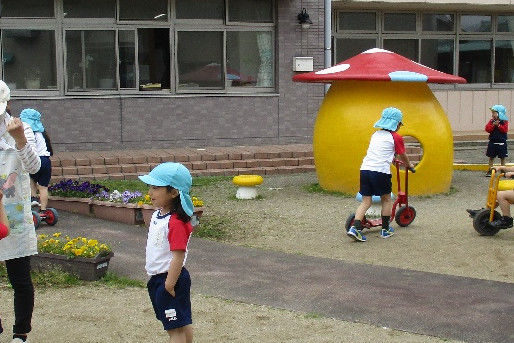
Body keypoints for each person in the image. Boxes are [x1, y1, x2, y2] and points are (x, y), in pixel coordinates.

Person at [0, 80, 41, 343]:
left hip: (15, 216)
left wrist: (20, 140)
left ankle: (20, 333)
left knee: (20, 279)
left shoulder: (20, 127)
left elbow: (36, 168)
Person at [138, 162, 194, 343]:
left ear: (174, 192)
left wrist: (169, 285)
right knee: (182, 322)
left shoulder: (176, 222)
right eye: (150, 187)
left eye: (156, 188)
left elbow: (178, 255)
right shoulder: (158, 214)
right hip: (159, 278)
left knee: (175, 330)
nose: (150, 192)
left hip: (170, 279)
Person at [347, 107, 415, 242]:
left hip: (365, 170)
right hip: (380, 172)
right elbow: (403, 155)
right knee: (386, 199)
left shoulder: (375, 135)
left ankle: (355, 228)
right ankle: (385, 229)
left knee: (366, 201)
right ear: (396, 124)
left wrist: (392, 157)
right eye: (400, 124)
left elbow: (383, 151)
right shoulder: (396, 137)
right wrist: (409, 165)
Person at [19, 108, 53, 214]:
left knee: (29, 176)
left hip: (35, 159)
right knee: (43, 188)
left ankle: (33, 198)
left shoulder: (28, 133)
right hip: (46, 160)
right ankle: (43, 210)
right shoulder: (43, 134)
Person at [485, 105, 509, 177]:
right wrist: (493, 125)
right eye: (492, 113)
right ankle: (490, 170)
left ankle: (503, 171)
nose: (493, 115)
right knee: (491, 157)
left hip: (502, 142)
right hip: (492, 142)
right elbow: (487, 129)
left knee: (502, 158)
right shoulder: (491, 121)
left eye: (494, 113)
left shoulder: (504, 122)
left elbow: (505, 130)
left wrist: (498, 125)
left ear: (500, 113)